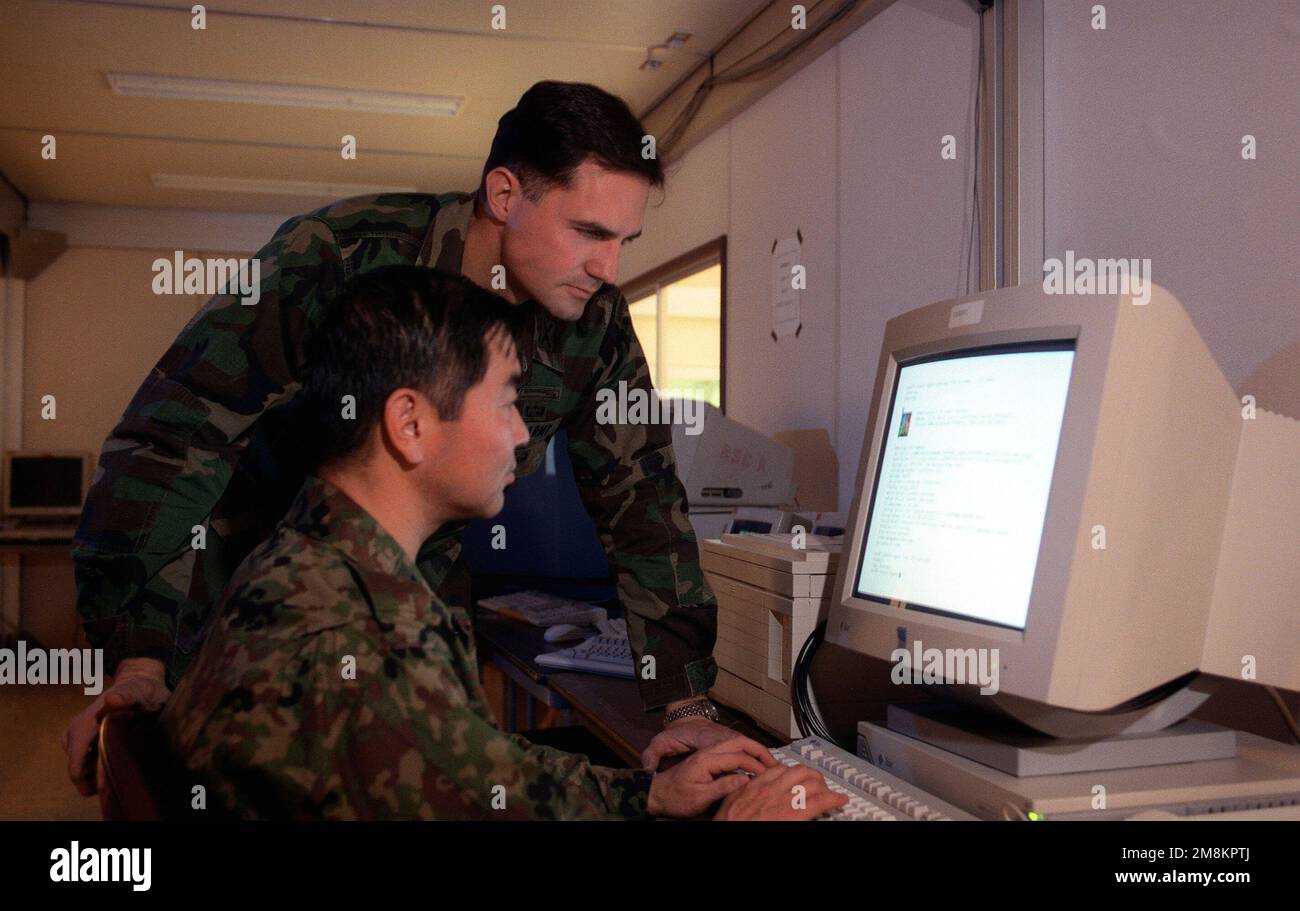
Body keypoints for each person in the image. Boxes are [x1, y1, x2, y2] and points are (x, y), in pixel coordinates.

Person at [65, 81, 733, 793]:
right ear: (504, 194)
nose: (610, 268)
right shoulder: (336, 258)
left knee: (447, 774)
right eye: (590, 232)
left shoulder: (593, 318)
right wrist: (141, 654)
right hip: (264, 589)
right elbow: (174, 441)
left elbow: (643, 503)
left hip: (420, 585)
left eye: (625, 241)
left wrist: (682, 699)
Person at [162, 266, 843, 820]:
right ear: (410, 422)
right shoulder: (365, 636)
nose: (523, 434)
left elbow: (474, 772)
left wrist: (649, 794)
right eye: (507, 402)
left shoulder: (310, 561)